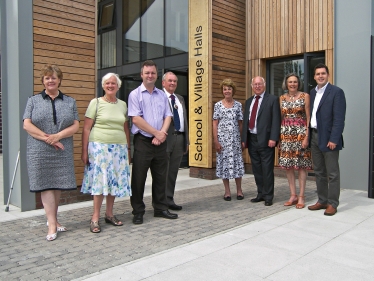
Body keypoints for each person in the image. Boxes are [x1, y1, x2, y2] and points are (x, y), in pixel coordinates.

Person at [23, 65, 80, 241]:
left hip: (62, 149)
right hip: (39, 150)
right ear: (43, 81)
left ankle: (53, 220)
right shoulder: (33, 101)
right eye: (47, 78)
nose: (51, 80)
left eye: (54, 78)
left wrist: (58, 136)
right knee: (46, 184)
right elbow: (27, 125)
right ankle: (52, 224)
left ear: (59, 80)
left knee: (57, 185)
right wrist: (48, 138)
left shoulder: (70, 101)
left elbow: (76, 125)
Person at [128, 60, 178, 224]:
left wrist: (162, 134)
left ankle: (160, 208)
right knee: (138, 178)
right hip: (143, 141)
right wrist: (156, 133)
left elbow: (168, 116)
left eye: (153, 73)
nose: (150, 75)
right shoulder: (135, 94)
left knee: (160, 177)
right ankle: (138, 211)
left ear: (157, 75)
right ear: (141, 74)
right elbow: (136, 119)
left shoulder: (162, 95)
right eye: (147, 72)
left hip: (161, 141)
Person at [81, 73, 131, 233]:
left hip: (119, 148)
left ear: (118, 86)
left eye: (113, 83)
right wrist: (84, 151)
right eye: (108, 83)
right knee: (100, 182)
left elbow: (125, 128)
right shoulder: (95, 103)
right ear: (103, 86)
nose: (110, 85)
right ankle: (94, 217)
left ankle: (109, 214)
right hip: (99, 148)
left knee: (113, 182)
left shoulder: (123, 105)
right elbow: (86, 128)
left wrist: (128, 150)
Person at [308, 63, 346, 216]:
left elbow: (339, 119)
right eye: (317, 74)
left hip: (329, 138)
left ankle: (333, 203)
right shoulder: (312, 92)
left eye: (323, 73)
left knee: (332, 173)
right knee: (319, 172)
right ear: (314, 77)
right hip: (314, 136)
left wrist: (334, 139)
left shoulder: (336, 92)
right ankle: (322, 200)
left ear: (328, 75)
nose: (320, 76)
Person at [241, 76, 281, 206]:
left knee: (267, 169)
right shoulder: (249, 101)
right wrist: (244, 139)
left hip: (266, 140)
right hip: (252, 139)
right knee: (257, 169)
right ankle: (260, 193)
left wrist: (273, 138)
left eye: (259, 84)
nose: (257, 86)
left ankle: (269, 196)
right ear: (252, 86)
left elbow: (276, 120)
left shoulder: (273, 99)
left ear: (264, 85)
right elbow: (246, 122)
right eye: (255, 84)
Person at [278, 73, 312, 209]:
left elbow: (308, 117)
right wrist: (279, 138)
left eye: (295, 82)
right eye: (290, 82)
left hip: (300, 134)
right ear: (286, 84)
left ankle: (302, 196)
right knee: (289, 166)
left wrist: (307, 136)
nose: (292, 84)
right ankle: (293, 195)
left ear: (299, 83)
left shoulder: (305, 96)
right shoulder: (281, 98)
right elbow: (280, 118)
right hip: (285, 135)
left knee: (301, 166)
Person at [213, 79, 245, 201]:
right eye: (225, 89)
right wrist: (216, 141)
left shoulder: (238, 105)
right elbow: (215, 124)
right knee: (224, 165)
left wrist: (242, 140)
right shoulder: (218, 105)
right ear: (222, 91)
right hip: (223, 141)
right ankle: (227, 191)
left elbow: (240, 124)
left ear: (233, 90)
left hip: (235, 140)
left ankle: (239, 190)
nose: (227, 91)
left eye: (229, 89)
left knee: (237, 164)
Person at [162, 72, 189, 211]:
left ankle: (169, 199)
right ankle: (160, 202)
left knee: (173, 172)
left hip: (180, 138)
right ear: (163, 83)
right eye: (170, 81)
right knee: (162, 172)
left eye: (175, 81)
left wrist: (187, 141)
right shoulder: (159, 97)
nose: (172, 83)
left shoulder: (179, 98)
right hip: (165, 139)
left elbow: (185, 120)